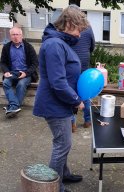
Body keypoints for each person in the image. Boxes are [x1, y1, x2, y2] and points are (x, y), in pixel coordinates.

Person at [33, 6, 88, 192]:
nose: (80, 36)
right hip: (54, 105)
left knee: (63, 143)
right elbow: (58, 82)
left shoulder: (59, 43)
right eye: (79, 30)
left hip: (60, 103)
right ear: (70, 24)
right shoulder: (54, 45)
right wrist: (76, 100)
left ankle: (64, 173)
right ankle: (54, 186)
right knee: (62, 144)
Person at [0, 26, 38, 118]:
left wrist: (26, 73)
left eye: (17, 34)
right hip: (12, 73)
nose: (15, 36)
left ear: (21, 35)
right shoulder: (6, 47)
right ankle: (15, 106)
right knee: (5, 82)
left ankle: (12, 106)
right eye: (13, 34)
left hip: (26, 73)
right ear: (10, 36)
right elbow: (3, 63)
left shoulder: (28, 47)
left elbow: (35, 63)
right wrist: (6, 72)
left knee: (21, 84)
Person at [71, 25, 95, 132]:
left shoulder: (67, 27)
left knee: (71, 92)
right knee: (85, 92)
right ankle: (88, 120)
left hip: (71, 63)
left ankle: (72, 123)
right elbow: (92, 46)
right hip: (84, 64)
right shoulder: (88, 27)